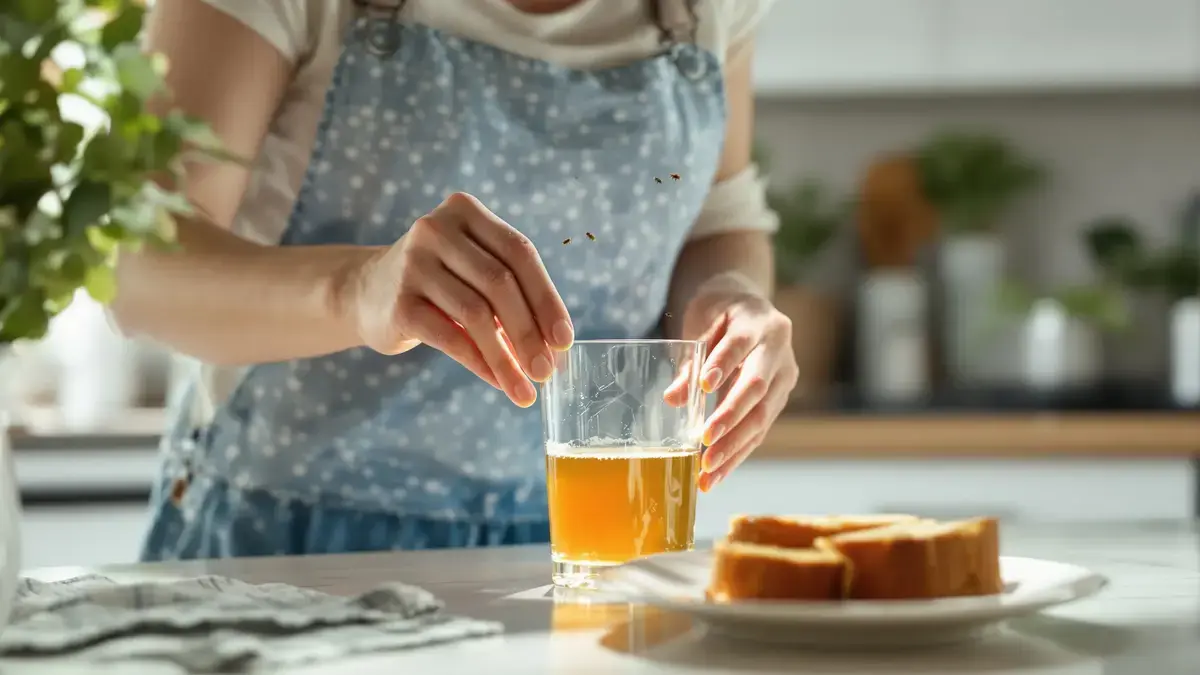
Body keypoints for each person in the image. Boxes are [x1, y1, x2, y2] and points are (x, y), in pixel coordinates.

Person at [115, 0, 799, 560]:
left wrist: (729, 294)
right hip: (290, 548)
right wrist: (356, 288)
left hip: (587, 545)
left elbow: (717, 217)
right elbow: (137, 267)